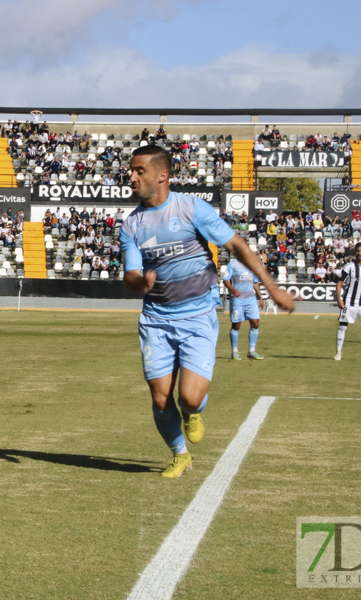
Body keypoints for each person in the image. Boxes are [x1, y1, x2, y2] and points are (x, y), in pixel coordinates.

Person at [119, 145, 294, 478]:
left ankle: (192, 410)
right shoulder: (131, 225)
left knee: (189, 398)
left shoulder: (191, 209)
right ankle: (180, 455)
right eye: (132, 170)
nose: (132, 176)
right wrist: (139, 281)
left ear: (162, 175)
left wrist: (271, 287)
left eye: (139, 170)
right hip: (156, 319)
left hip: (197, 315)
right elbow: (129, 275)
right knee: (159, 399)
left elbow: (237, 245)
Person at [334, 242, 361, 361]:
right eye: (358, 251)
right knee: (342, 327)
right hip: (349, 301)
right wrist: (339, 299)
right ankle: (338, 353)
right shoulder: (349, 267)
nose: (360, 253)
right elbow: (339, 283)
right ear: (355, 252)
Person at [222, 257, 265, 360]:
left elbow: (255, 282)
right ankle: (235, 351)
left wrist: (261, 297)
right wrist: (233, 290)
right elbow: (226, 280)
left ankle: (252, 351)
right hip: (238, 300)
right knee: (236, 325)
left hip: (251, 299)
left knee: (255, 323)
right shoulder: (233, 263)